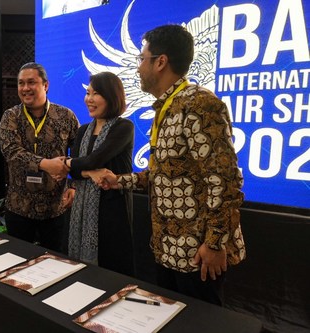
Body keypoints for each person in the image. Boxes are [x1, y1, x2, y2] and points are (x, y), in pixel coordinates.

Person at [98, 24, 246, 305]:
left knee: (200, 324)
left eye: (142, 59)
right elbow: (164, 174)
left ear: (160, 62)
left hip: (197, 254)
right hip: (168, 250)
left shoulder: (200, 104)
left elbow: (225, 181)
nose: (139, 67)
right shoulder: (167, 107)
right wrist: (120, 180)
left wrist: (214, 243)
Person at [0, 62, 79, 252]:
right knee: (18, 263)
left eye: (31, 82)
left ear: (46, 85)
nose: (25, 88)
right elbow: (11, 152)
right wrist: (45, 164)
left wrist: (74, 186)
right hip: (19, 207)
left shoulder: (65, 116)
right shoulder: (10, 117)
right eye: (21, 83)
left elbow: (78, 154)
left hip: (55, 208)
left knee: (55, 264)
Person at [64, 72, 135, 276]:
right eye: (88, 93)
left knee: (112, 270)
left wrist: (70, 163)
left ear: (112, 96)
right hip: (83, 207)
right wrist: (89, 172)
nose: (89, 99)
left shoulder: (124, 127)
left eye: (96, 93)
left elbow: (92, 160)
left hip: (113, 208)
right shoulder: (82, 131)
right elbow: (76, 173)